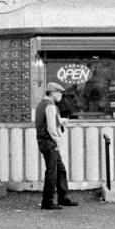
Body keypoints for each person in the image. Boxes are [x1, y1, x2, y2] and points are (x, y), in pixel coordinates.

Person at [35, 82, 77, 210]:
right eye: (59, 92)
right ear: (52, 92)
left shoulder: (41, 105)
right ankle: (47, 201)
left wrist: (61, 120)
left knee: (60, 169)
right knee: (52, 171)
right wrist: (57, 141)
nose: (61, 95)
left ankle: (62, 197)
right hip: (49, 142)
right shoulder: (50, 106)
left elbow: (45, 121)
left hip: (43, 141)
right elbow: (51, 127)